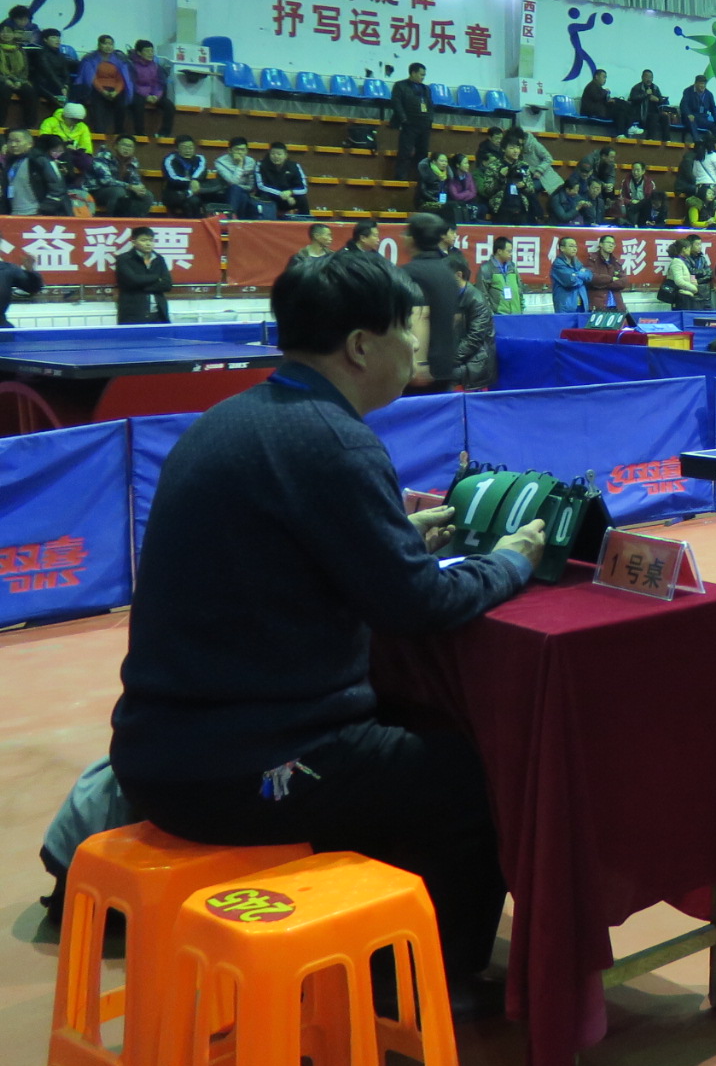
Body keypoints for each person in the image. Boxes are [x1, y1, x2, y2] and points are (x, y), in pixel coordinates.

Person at [109, 248, 543, 1019]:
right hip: (251, 771)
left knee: (401, 748)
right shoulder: (333, 440)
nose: (417, 348)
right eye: (408, 330)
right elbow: (417, 604)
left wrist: (392, 533)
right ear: (361, 346)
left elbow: (290, 551)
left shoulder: (234, 419)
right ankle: (422, 991)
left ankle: (376, 952)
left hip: (158, 750)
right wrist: (511, 561)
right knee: (470, 778)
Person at [401, 213, 466, 391]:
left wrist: (420, 362)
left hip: (419, 368)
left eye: (406, 233)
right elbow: (456, 318)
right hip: (446, 364)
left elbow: (419, 316)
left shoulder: (409, 273)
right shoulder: (448, 273)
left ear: (412, 239)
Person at [448, 267, 497, 390]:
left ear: (458, 275)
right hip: (461, 359)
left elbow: (474, 338)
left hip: (475, 362)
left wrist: (449, 361)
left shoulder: (476, 299)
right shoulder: (450, 296)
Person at [113, 226, 172, 323]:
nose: (148, 244)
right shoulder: (124, 259)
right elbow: (132, 281)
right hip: (133, 313)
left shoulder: (159, 259)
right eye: (143, 240)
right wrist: (157, 278)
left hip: (158, 314)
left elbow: (167, 284)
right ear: (134, 242)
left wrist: (140, 285)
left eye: (151, 240)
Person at [3, 126, 65, 216]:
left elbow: (58, 189)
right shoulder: (10, 163)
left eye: (17, 141)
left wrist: (44, 210)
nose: (13, 145)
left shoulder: (40, 160)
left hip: (36, 215)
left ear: (30, 143)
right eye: (10, 141)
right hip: (14, 215)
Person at [389, 62, 434, 183]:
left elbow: (430, 105)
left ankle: (421, 179)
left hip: (424, 124)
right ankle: (401, 178)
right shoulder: (400, 85)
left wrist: (430, 120)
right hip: (409, 124)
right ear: (413, 73)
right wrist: (404, 119)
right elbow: (396, 103)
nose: (423, 77)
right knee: (405, 153)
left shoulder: (426, 88)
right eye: (421, 74)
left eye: (424, 75)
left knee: (423, 153)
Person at [90, 135, 154, 217]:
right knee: (119, 192)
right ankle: (115, 222)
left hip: (122, 189)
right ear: (115, 146)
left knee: (147, 195)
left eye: (130, 146)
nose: (126, 148)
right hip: (97, 191)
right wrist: (130, 186)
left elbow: (135, 181)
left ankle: (136, 222)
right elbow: (105, 181)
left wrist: (139, 189)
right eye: (124, 145)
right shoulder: (103, 156)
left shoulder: (133, 161)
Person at [127, 40, 171, 138]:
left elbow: (159, 83)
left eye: (152, 51)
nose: (150, 54)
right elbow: (131, 83)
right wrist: (146, 96)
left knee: (169, 106)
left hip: (153, 94)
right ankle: (139, 132)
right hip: (138, 93)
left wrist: (156, 95)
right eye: (147, 51)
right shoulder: (131, 65)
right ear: (139, 53)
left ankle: (164, 133)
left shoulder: (156, 66)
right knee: (138, 103)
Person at [254, 142, 309, 220]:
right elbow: (261, 186)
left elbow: (304, 188)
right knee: (264, 197)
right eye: (273, 154)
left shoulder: (294, 166)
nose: (276, 156)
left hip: (288, 198)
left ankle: (306, 221)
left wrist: (290, 192)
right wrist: (281, 194)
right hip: (270, 197)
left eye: (279, 154)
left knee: (302, 199)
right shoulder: (261, 165)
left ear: (285, 155)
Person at [158, 136, 205, 217]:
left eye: (190, 148)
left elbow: (201, 171)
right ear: (177, 149)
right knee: (192, 201)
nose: (188, 150)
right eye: (184, 148)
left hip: (195, 191)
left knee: (198, 200)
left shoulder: (199, 158)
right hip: (175, 192)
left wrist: (195, 180)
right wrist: (191, 183)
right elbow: (173, 178)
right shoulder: (169, 160)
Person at [213, 136, 259, 219]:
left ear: (247, 151)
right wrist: (240, 164)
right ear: (229, 150)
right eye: (237, 149)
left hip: (245, 192)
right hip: (225, 192)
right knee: (236, 190)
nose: (240, 152)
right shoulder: (220, 162)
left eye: (243, 150)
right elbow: (233, 182)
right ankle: (233, 219)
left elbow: (251, 186)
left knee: (243, 196)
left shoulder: (251, 162)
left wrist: (240, 187)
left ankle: (232, 219)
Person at [478, 235, 524, 316]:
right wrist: (491, 315)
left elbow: (519, 290)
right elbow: (482, 296)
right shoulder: (486, 269)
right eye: (508, 251)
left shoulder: (512, 267)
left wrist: (521, 310)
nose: (511, 254)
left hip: (516, 316)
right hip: (498, 316)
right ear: (499, 251)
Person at [658, 235, 705, 310]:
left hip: (685, 295)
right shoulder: (677, 262)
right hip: (681, 297)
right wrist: (694, 288)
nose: (690, 250)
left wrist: (693, 282)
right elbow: (679, 281)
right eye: (689, 248)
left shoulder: (682, 261)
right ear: (684, 249)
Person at [547, 237, 592, 314]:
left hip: (581, 304)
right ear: (562, 248)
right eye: (571, 246)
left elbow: (589, 276)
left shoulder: (577, 262)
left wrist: (576, 275)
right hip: (566, 306)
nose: (574, 249)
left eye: (575, 246)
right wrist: (581, 275)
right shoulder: (558, 264)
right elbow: (570, 281)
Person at [678, 75, 716, 150]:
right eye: (701, 83)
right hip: (690, 117)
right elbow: (683, 105)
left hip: (702, 118)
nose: (703, 86)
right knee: (691, 121)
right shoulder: (688, 91)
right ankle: (697, 142)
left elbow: (713, 108)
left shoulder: (708, 94)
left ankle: (714, 143)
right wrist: (688, 114)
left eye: (704, 84)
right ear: (696, 83)